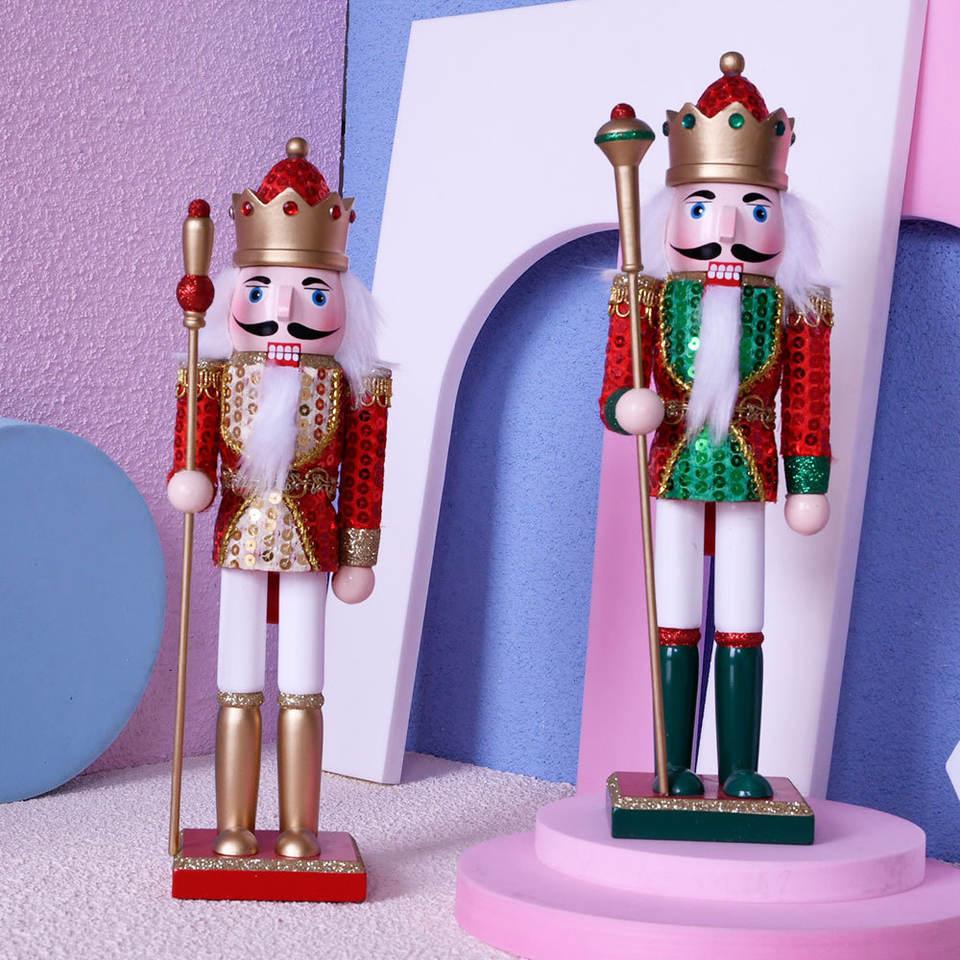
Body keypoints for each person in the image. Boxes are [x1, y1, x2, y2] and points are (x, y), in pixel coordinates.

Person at [599, 54, 831, 799]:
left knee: (742, 619)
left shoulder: (796, 307)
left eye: (754, 210)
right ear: (672, 213)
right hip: (673, 463)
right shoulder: (645, 296)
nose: (727, 228)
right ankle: (673, 764)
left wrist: (808, 482)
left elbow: (809, 402)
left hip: (752, 468)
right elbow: (616, 386)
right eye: (702, 207)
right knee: (674, 617)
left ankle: (739, 767)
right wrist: (629, 406)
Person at [167, 137, 390, 856]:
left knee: (303, 684)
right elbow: (194, 448)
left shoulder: (357, 387)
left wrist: (360, 554)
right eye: (262, 290)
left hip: (313, 537)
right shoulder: (213, 370)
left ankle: (300, 828)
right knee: (237, 682)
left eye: (314, 294)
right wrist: (190, 477)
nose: (285, 309)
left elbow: (366, 473)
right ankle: (233, 825)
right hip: (238, 531)